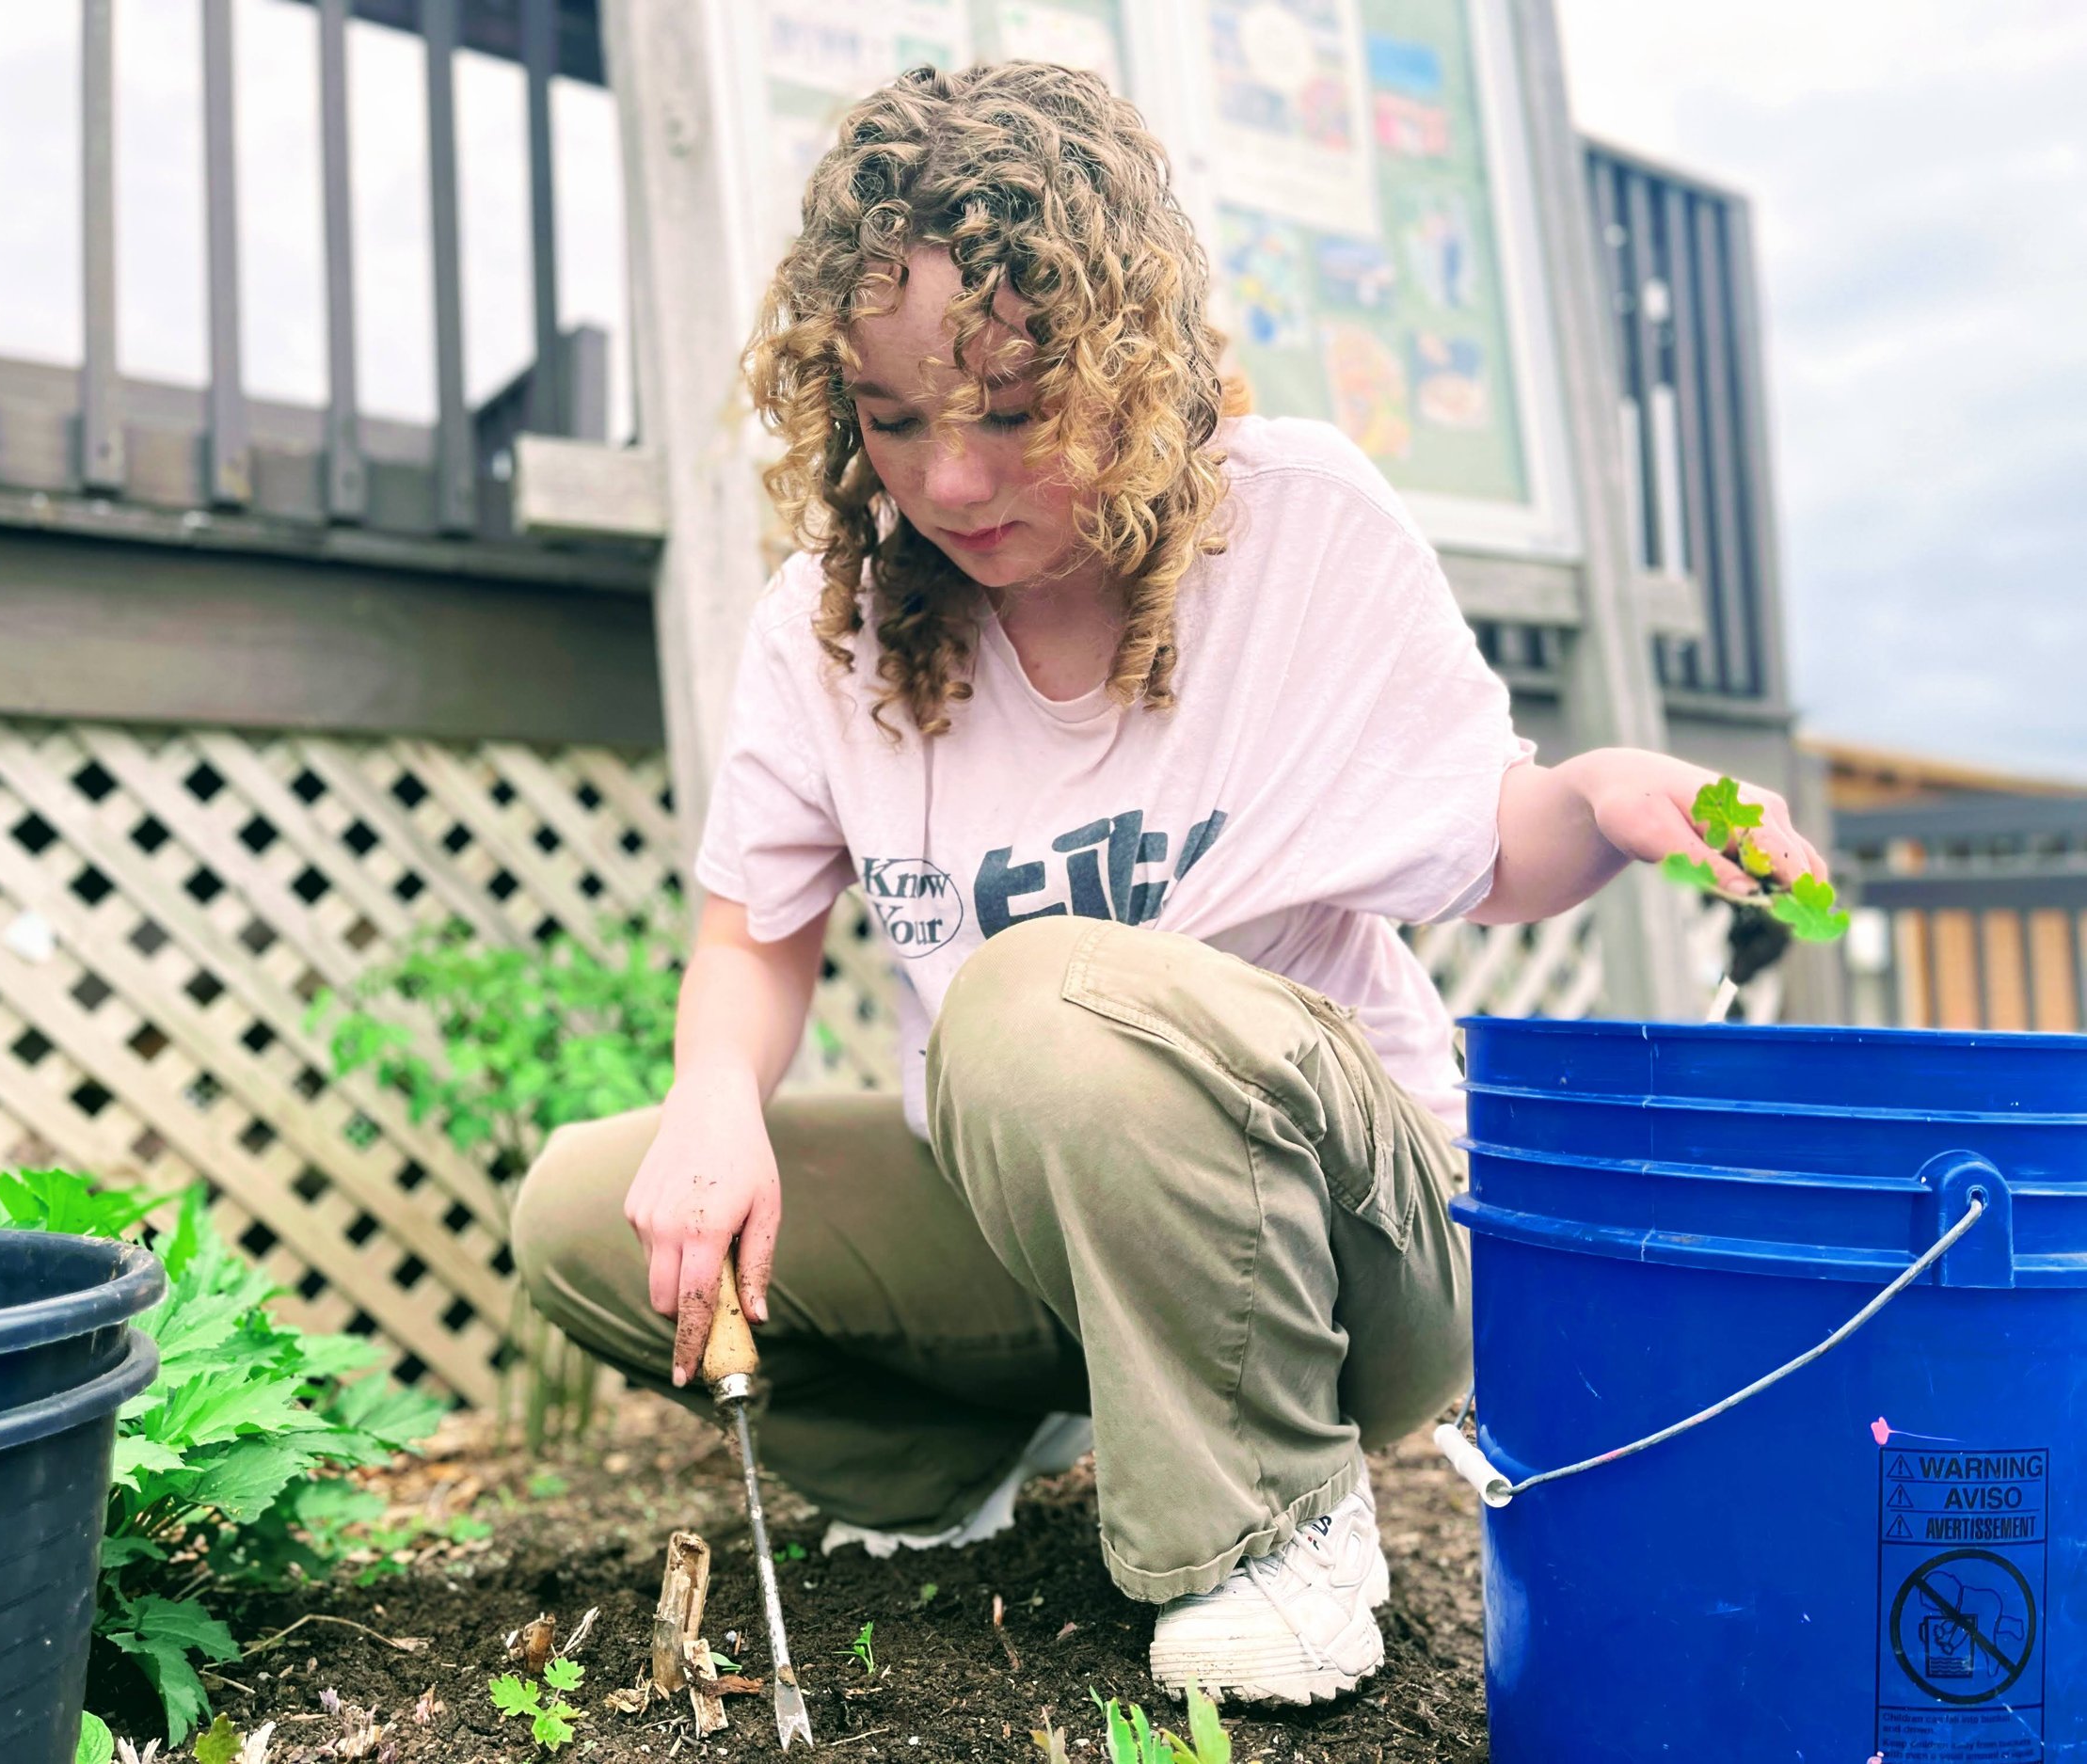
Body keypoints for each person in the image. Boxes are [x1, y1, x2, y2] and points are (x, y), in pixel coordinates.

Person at [513, 60, 1824, 1708]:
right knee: (584, 1207)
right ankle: (965, 1462)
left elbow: (1495, 844)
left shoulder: (1292, 528)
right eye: (897, 419)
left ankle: (1274, 1530)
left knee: (1036, 993)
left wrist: (1622, 797)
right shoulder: (832, 620)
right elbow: (750, 938)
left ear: (1129, 366)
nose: (952, 481)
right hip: (1042, 1226)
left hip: (1360, 1259)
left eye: (1007, 411)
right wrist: (715, 1102)